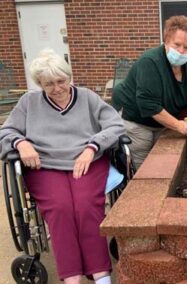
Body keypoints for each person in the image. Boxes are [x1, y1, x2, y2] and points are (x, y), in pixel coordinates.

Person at [0, 49, 126, 284]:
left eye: (61, 81)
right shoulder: (28, 102)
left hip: (87, 161)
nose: (57, 88)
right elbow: (6, 131)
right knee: (60, 209)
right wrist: (21, 142)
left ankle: (101, 275)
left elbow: (115, 125)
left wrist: (92, 147)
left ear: (69, 77)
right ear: (40, 84)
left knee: (87, 206)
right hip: (44, 165)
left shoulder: (87, 97)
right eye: (49, 84)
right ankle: (72, 278)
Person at [112, 15, 187, 169]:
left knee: (161, 164)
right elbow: (148, 104)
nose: (181, 51)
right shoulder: (150, 62)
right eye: (177, 45)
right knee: (143, 169)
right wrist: (178, 125)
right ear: (166, 41)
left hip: (162, 121)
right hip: (135, 120)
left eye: (186, 48)